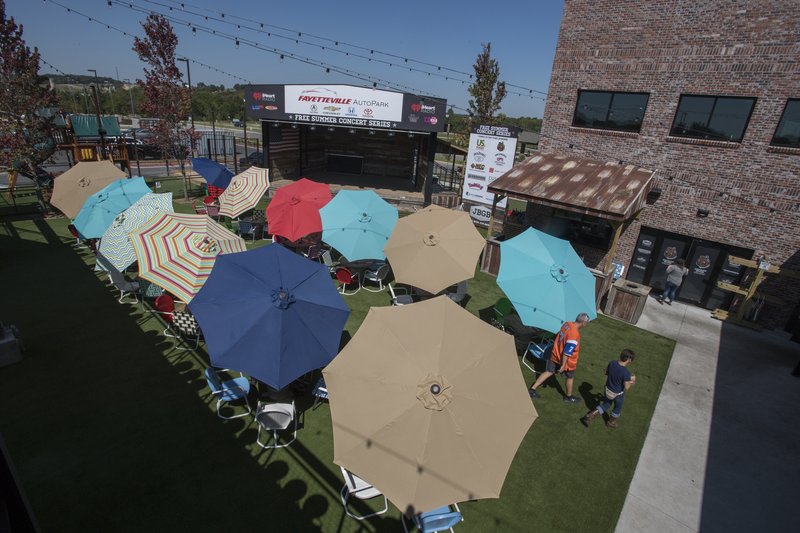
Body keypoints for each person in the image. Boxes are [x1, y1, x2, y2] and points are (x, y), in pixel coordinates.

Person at [528, 312, 591, 403]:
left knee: (549, 371)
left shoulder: (567, 324)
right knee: (570, 377)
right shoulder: (574, 334)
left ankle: (532, 389)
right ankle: (568, 397)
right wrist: (563, 365)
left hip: (554, 354)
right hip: (567, 361)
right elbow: (567, 351)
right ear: (583, 323)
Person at [581, 349, 636, 429]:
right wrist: (632, 381)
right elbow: (627, 387)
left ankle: (589, 416)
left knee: (606, 404)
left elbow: (606, 372)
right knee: (617, 407)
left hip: (607, 390)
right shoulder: (626, 373)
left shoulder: (612, 362)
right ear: (629, 360)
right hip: (617, 395)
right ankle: (611, 422)